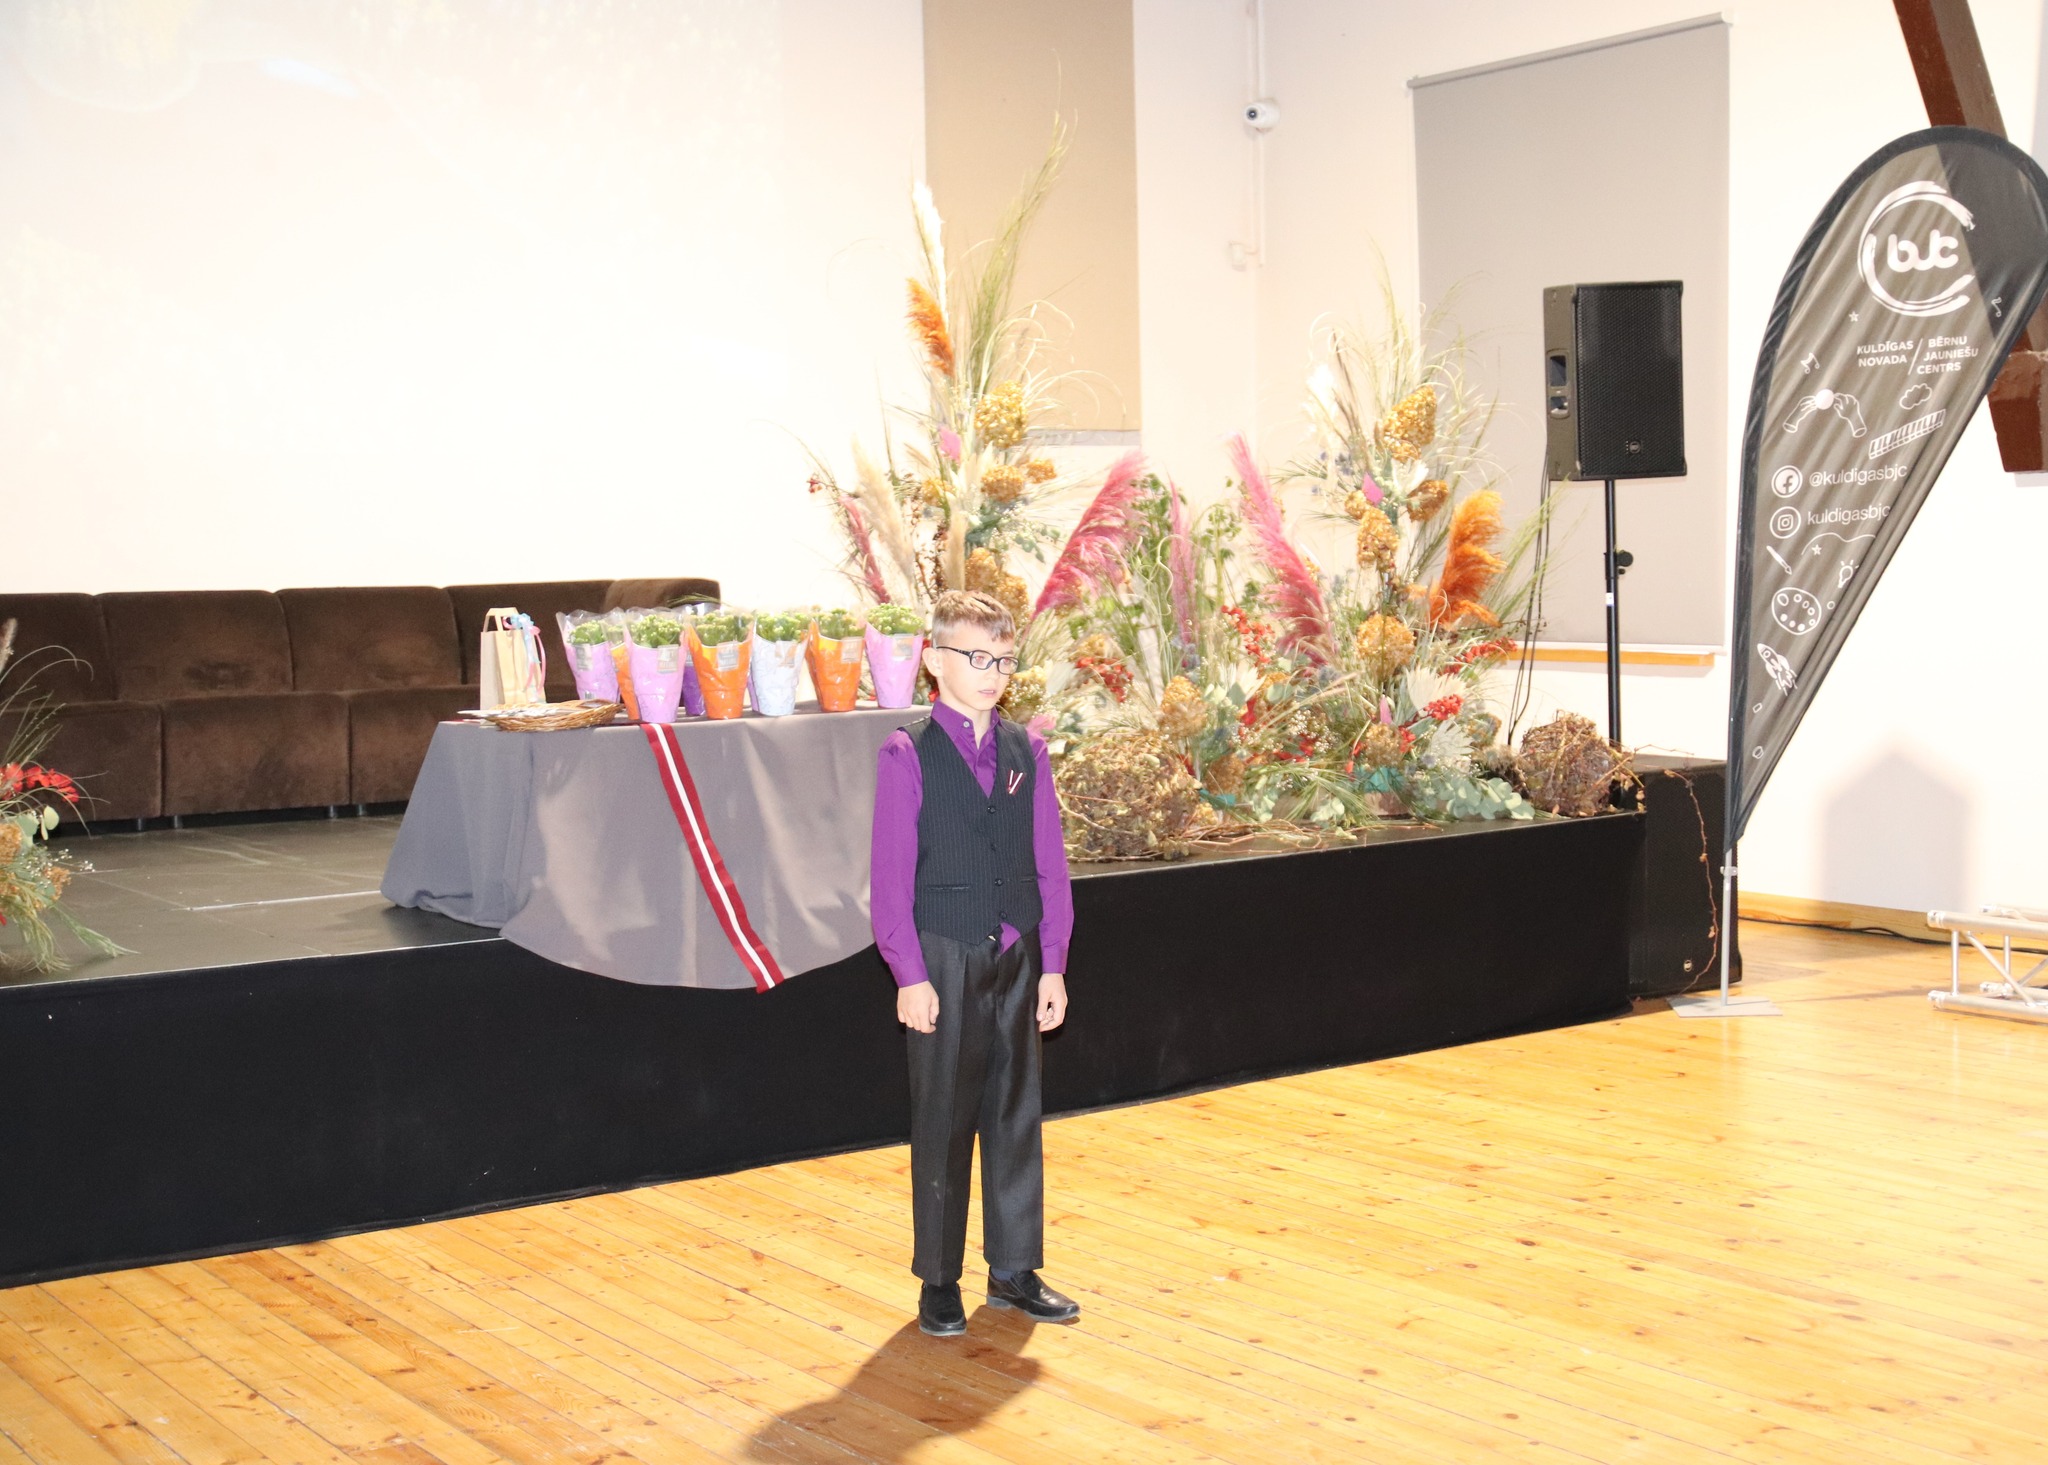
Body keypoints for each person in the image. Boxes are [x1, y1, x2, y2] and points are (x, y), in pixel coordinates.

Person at [870, 589, 1079, 1337]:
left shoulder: (1027, 750)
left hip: (1017, 950)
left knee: (1016, 1113)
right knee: (944, 1118)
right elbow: (890, 876)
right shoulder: (908, 752)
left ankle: (1014, 1269)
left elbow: (1049, 861)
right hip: (944, 954)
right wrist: (909, 974)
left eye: (1004, 660)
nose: (993, 674)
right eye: (976, 658)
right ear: (934, 660)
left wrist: (1052, 962)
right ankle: (938, 1278)